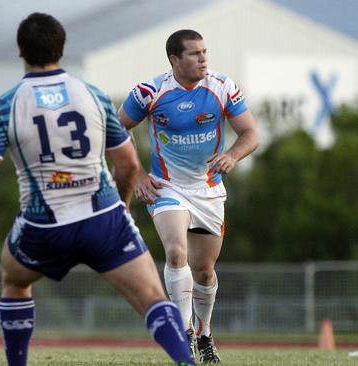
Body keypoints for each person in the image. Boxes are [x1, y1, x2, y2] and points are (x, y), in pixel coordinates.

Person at [0, 13, 196, 366]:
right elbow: (129, 166)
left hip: (45, 227)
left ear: (20, 51)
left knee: (14, 278)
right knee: (152, 296)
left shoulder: (5, 105)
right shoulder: (92, 94)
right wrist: (120, 209)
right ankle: (186, 362)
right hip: (103, 219)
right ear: (62, 48)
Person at [118, 29, 259, 363]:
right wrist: (136, 172)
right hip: (167, 186)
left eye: (205, 52)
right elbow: (116, 129)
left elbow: (250, 133)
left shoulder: (223, 87)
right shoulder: (150, 92)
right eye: (195, 54)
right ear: (174, 60)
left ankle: (204, 333)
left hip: (208, 189)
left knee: (205, 272)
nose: (203, 59)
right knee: (176, 253)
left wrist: (234, 155)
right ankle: (182, 336)